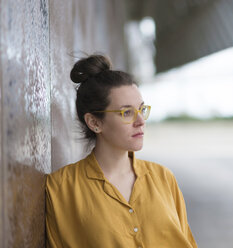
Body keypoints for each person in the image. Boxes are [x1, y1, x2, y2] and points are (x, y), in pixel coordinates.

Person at [45, 54, 198, 248]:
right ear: (94, 122)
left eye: (141, 110)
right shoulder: (60, 189)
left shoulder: (163, 178)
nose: (140, 121)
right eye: (126, 112)